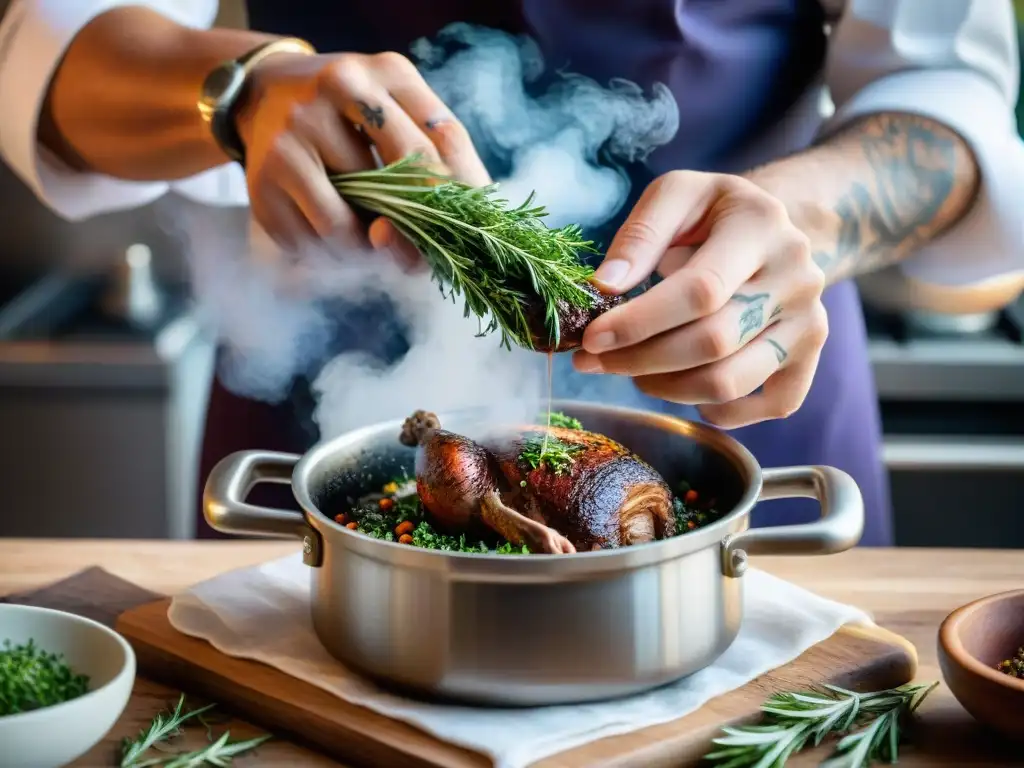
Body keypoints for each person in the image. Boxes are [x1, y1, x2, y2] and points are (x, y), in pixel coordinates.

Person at [1, 0, 1021, 546]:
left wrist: (805, 218)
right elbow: (46, 53)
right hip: (329, 418)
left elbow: (946, 92)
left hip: (748, 400)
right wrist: (237, 89)